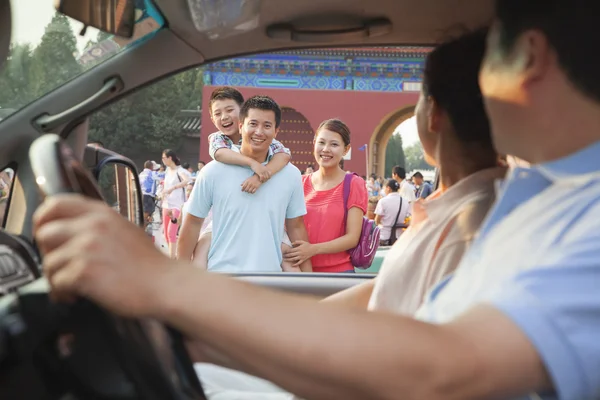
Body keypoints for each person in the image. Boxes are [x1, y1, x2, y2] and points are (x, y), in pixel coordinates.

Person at [33, 1, 600, 398]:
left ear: (527, 54)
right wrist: (198, 336)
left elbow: (447, 372)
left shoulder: (583, 216)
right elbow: (384, 302)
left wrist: (161, 282)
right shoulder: (531, 197)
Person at [177, 95, 312, 274]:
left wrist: (309, 277)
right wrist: (179, 274)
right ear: (241, 126)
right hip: (221, 279)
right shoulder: (212, 171)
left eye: (267, 126)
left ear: (276, 131)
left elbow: (296, 227)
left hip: (271, 282)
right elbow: (193, 223)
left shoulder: (291, 175)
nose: (259, 132)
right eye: (253, 124)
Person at [283, 119, 368, 273]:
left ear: (346, 149)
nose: (326, 149)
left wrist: (313, 249)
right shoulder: (299, 183)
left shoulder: (354, 184)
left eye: (334, 144)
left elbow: (352, 238)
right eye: (321, 142)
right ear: (314, 144)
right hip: (300, 274)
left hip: (339, 274)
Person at [207, 86, 291, 194]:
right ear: (213, 120)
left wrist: (259, 177)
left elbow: (284, 155)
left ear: (242, 111)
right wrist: (252, 163)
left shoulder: (259, 136)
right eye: (218, 114)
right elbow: (219, 153)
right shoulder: (218, 138)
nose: (224, 117)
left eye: (229, 110)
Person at [160, 149, 191, 259]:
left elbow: (187, 181)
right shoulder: (167, 170)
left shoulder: (180, 170)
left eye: (164, 158)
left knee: (171, 233)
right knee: (166, 235)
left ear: (170, 158)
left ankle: (172, 259)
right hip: (166, 204)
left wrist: (173, 188)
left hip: (177, 205)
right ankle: (174, 256)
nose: (162, 160)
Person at [374, 179, 409, 246]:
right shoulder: (405, 201)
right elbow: (409, 220)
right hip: (399, 238)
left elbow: (376, 221)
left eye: (384, 188)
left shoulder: (383, 201)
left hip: (384, 237)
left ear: (388, 188)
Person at [139, 160, 160, 229]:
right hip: (149, 196)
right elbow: (163, 176)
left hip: (142, 195)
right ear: (151, 167)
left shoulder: (141, 174)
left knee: (146, 214)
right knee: (147, 214)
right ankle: (141, 230)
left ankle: (143, 228)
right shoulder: (153, 174)